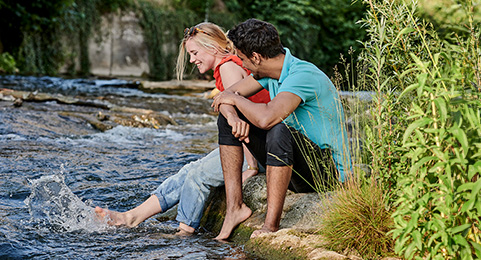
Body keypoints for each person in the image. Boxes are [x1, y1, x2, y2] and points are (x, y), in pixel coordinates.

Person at [94, 22, 271, 235]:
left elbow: (242, 116)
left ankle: (185, 232)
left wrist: (250, 167)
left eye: (195, 52)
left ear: (213, 48)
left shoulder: (227, 67)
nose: (191, 59)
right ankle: (131, 217)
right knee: (188, 170)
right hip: (252, 145)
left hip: (259, 149)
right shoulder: (227, 65)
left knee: (197, 175)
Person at [210, 18, 350, 240]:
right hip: (295, 164)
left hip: (325, 173)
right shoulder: (268, 73)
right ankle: (234, 209)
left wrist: (232, 100)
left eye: (243, 58)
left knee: (279, 128)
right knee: (228, 119)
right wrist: (231, 112)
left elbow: (266, 118)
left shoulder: (302, 75)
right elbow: (226, 98)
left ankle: (270, 226)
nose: (241, 64)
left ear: (256, 57)